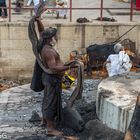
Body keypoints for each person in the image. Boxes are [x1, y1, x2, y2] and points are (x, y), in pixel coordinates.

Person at [34, 17, 76, 136]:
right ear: (49, 39)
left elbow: (41, 32)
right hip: (51, 79)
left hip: (50, 79)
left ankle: (44, 120)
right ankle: (50, 129)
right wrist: (70, 67)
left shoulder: (43, 43)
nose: (56, 38)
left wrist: (38, 21)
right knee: (51, 102)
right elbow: (53, 68)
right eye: (54, 36)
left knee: (47, 99)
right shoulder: (48, 52)